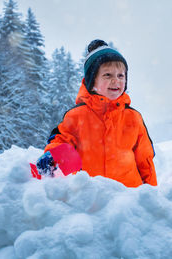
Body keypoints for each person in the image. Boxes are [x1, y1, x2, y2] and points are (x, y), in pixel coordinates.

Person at [37, 39, 157, 187]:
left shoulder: (133, 117)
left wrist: (151, 196)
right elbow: (61, 140)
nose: (116, 81)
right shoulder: (76, 116)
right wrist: (52, 154)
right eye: (107, 75)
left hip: (128, 198)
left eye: (121, 76)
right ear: (92, 82)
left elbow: (145, 160)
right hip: (92, 199)